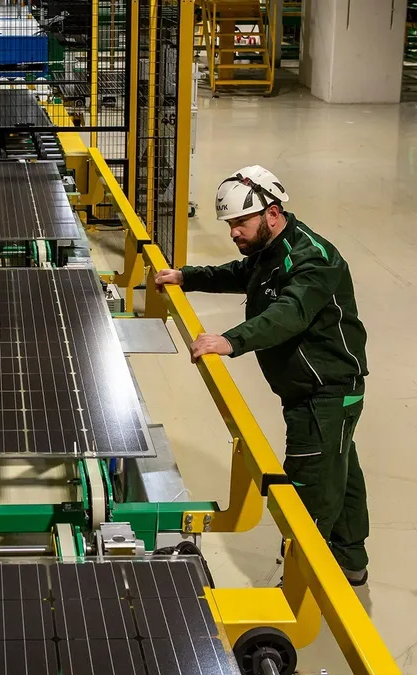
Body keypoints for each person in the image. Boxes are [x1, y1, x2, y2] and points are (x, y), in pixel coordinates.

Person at [154, 166, 371, 586]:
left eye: (240, 222)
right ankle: (351, 563)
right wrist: (187, 276)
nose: (234, 232)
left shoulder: (313, 260)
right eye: (230, 224)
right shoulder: (271, 249)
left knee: (309, 491)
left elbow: (288, 313)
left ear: (272, 212)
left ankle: (300, 585)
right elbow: (244, 275)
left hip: (324, 393)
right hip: (310, 390)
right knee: (340, 477)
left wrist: (231, 340)